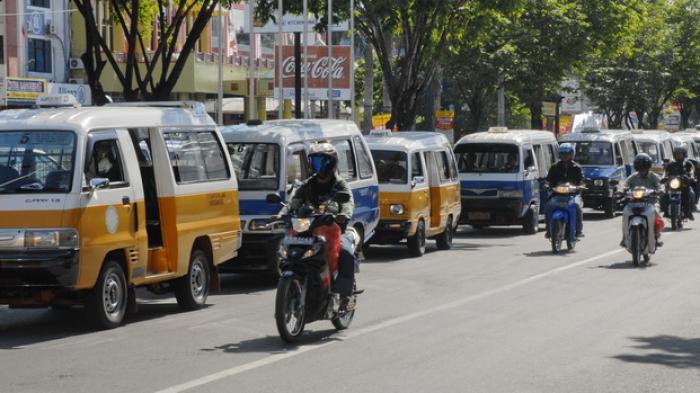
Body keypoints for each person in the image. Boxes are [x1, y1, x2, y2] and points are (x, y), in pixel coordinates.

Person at [277, 142, 356, 309]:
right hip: (308, 226)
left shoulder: (340, 185)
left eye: (322, 162)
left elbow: (348, 203)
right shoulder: (308, 185)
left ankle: (344, 296)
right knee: (288, 247)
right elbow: (294, 202)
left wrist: (344, 215)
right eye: (314, 162)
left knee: (347, 252)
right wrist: (282, 214)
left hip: (335, 228)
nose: (318, 166)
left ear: (332, 163)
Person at [621, 153, 664, 247]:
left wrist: (659, 191)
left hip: (651, 202)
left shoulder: (654, 176)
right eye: (640, 167)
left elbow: (660, 185)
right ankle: (625, 237)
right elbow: (625, 185)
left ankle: (657, 235)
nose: (642, 170)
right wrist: (622, 191)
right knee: (625, 215)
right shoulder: (633, 177)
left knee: (657, 214)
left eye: (644, 167)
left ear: (648, 166)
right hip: (634, 202)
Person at [544, 143, 584, 238]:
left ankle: (578, 231)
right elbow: (548, 180)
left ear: (572, 154)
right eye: (562, 153)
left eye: (567, 153)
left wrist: (581, 186)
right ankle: (549, 230)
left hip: (572, 195)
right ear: (559, 155)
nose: (565, 156)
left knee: (578, 208)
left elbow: (582, 180)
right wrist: (546, 185)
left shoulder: (577, 167)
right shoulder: (554, 167)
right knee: (548, 207)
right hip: (556, 195)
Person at [661, 146, 695, 220]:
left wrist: (691, 177)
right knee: (664, 195)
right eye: (676, 154)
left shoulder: (687, 164)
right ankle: (666, 211)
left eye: (680, 154)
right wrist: (663, 178)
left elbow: (692, 172)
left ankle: (688, 211)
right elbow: (665, 173)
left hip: (684, 184)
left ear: (684, 154)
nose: (678, 155)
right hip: (672, 185)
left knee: (690, 194)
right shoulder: (670, 164)